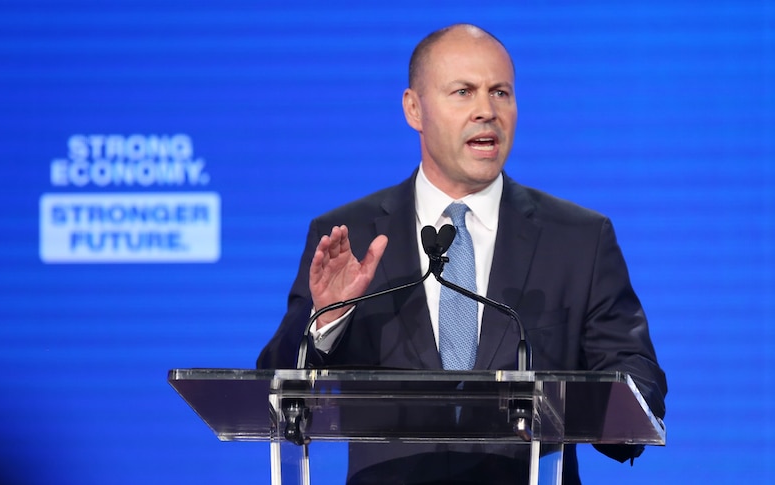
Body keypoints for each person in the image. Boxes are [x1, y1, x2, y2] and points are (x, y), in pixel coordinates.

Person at [257, 23, 667, 484]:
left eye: (500, 93)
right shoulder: (348, 235)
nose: (486, 111)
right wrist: (329, 317)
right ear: (414, 109)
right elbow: (274, 386)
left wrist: (611, 411)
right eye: (463, 92)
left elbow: (638, 378)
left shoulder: (578, 238)